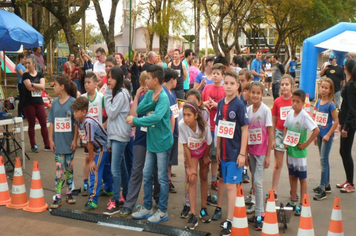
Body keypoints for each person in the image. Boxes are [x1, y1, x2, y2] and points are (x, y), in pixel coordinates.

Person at [126, 65, 173, 223]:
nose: (145, 80)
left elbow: (156, 117)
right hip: (151, 142)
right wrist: (151, 102)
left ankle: (162, 211)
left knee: (161, 177)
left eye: (147, 78)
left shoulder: (164, 97)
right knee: (146, 174)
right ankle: (147, 207)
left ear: (156, 80)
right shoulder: (151, 94)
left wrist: (135, 121)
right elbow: (139, 108)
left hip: (162, 143)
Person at [216, 69, 249, 236]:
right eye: (226, 83)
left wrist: (242, 153)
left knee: (231, 186)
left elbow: (245, 130)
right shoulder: (221, 103)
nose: (228, 86)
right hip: (223, 154)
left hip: (235, 153)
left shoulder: (239, 105)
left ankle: (231, 221)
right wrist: (218, 148)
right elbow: (219, 128)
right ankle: (231, 218)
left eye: (231, 84)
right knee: (228, 185)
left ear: (238, 86)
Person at [72, 97, 112, 212]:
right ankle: (109, 189)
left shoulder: (88, 122)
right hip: (99, 146)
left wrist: (92, 159)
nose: (74, 114)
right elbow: (85, 139)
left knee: (94, 170)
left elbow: (89, 142)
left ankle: (93, 200)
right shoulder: (81, 121)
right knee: (105, 169)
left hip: (101, 147)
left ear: (84, 112)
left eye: (76, 111)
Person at [284, 89, 319, 215]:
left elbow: (316, 130)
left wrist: (306, 144)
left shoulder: (304, 116)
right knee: (292, 176)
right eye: (293, 101)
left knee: (302, 178)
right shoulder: (290, 114)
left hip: (300, 152)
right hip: (291, 151)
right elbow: (286, 127)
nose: (294, 104)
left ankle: (303, 203)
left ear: (303, 103)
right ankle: (293, 200)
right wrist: (285, 141)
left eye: (297, 102)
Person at [179, 101, 212, 230]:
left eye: (189, 115)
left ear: (196, 115)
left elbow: (209, 142)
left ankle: (203, 208)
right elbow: (185, 145)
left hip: (203, 149)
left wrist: (205, 156)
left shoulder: (204, 127)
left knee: (204, 176)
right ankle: (193, 214)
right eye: (184, 115)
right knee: (192, 178)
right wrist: (190, 167)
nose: (186, 118)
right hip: (191, 152)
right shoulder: (182, 125)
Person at [119, 72, 149, 217]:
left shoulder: (158, 98)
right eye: (143, 84)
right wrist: (137, 97)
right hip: (140, 139)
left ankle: (156, 203)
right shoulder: (141, 98)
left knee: (153, 173)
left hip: (154, 140)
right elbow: (132, 117)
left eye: (147, 83)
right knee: (137, 170)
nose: (146, 87)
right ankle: (129, 203)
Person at [103, 67, 131, 215]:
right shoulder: (118, 93)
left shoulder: (120, 94)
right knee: (121, 167)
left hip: (119, 136)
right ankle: (125, 196)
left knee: (115, 169)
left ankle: (115, 201)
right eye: (108, 77)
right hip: (116, 135)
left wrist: (107, 94)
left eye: (112, 78)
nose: (109, 80)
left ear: (119, 79)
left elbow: (111, 113)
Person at [48, 74, 78, 209]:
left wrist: (75, 140)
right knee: (59, 170)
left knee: (69, 169)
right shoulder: (54, 103)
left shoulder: (73, 102)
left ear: (62, 86)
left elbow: (76, 123)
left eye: (55, 84)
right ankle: (58, 195)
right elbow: (51, 122)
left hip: (69, 143)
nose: (53, 87)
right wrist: (50, 139)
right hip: (58, 143)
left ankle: (69, 192)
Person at [246, 82, 273, 230]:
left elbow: (270, 133)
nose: (255, 95)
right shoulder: (248, 110)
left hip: (262, 152)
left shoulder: (265, 111)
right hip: (251, 151)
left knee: (258, 181)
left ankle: (259, 215)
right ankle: (260, 211)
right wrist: (244, 152)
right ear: (249, 93)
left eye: (258, 93)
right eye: (253, 92)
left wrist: (268, 155)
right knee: (254, 181)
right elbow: (245, 131)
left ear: (262, 94)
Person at [80, 73, 106, 196]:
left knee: (98, 159)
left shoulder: (101, 97)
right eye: (85, 82)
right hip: (86, 134)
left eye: (89, 82)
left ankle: (99, 182)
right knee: (87, 158)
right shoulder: (83, 98)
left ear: (96, 84)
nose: (86, 85)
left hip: (98, 137)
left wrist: (104, 126)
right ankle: (86, 182)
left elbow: (109, 113)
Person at [313, 77, 339, 200]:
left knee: (323, 161)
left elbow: (336, 121)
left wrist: (328, 134)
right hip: (319, 134)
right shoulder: (318, 102)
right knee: (323, 160)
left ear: (330, 90)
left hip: (326, 136)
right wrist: (315, 135)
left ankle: (322, 188)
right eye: (322, 87)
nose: (323, 90)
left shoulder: (331, 104)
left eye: (326, 88)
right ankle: (326, 184)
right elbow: (317, 119)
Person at [202, 63, 225, 192]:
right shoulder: (206, 88)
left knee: (215, 155)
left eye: (218, 74)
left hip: (217, 127)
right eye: (214, 73)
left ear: (222, 76)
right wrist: (205, 103)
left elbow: (226, 106)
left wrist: (217, 105)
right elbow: (201, 102)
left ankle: (214, 179)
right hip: (206, 125)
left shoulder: (223, 90)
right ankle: (204, 177)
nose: (215, 76)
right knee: (206, 154)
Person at [270, 75, 293, 201]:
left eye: (286, 84)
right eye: (282, 84)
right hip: (279, 133)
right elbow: (273, 122)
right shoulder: (277, 101)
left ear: (292, 86)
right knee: (278, 164)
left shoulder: (295, 100)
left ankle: (293, 191)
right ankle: (274, 190)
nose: (284, 86)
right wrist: (272, 139)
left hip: (292, 135)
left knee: (291, 165)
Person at [22, 57, 50, 152]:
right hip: (28, 102)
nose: (27, 65)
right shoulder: (25, 75)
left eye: (29, 63)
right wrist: (36, 86)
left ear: (34, 64)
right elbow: (28, 87)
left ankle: (47, 144)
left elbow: (43, 87)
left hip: (39, 102)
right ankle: (33, 144)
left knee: (43, 123)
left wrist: (33, 85)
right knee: (31, 124)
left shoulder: (40, 74)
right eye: (26, 63)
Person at [337, 58, 356, 193]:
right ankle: (348, 180)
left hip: (349, 124)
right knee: (343, 151)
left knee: (345, 151)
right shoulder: (350, 84)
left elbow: (351, 109)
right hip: (345, 122)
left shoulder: (350, 86)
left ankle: (350, 183)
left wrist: (345, 127)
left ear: (346, 69)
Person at [162, 69, 179, 193]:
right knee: (164, 157)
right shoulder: (163, 92)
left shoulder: (172, 93)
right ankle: (162, 181)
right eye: (176, 79)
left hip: (175, 130)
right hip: (167, 131)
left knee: (170, 158)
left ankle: (168, 180)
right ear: (172, 79)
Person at [16, 53, 26, 118]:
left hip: (24, 83)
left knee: (24, 99)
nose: (24, 60)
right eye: (24, 59)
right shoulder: (19, 66)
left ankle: (23, 113)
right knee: (22, 99)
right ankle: (19, 113)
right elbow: (22, 74)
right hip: (21, 83)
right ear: (21, 59)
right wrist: (27, 70)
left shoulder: (23, 66)